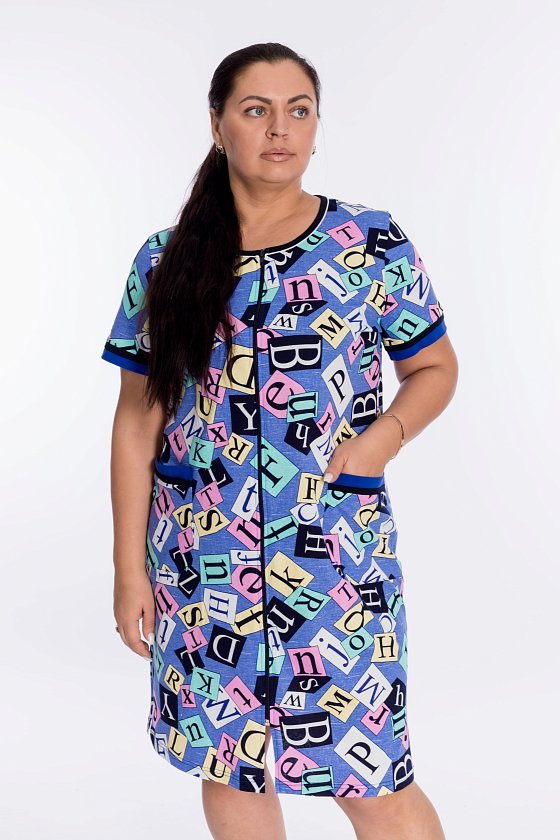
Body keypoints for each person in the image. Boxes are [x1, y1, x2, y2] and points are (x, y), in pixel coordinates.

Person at [101, 41, 457, 840]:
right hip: (202, 561)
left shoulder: (371, 242)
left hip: (336, 563)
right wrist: (129, 572)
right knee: (230, 765)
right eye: (256, 110)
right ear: (217, 124)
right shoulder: (165, 260)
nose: (280, 129)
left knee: (373, 775)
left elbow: (435, 367)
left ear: (317, 125)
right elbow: (137, 419)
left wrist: (384, 438)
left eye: (299, 110)